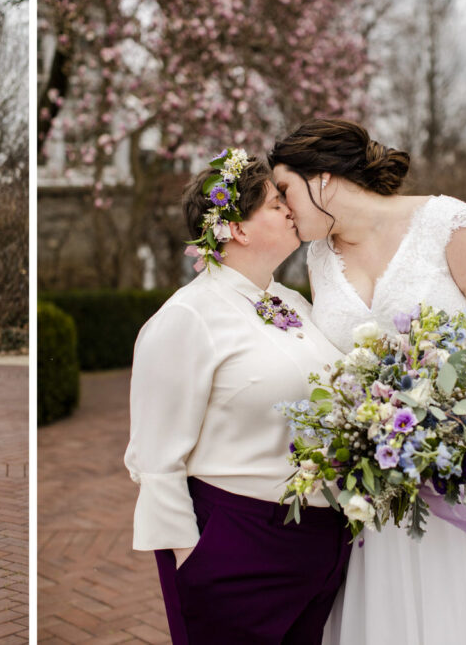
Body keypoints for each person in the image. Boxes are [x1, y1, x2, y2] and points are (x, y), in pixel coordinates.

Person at [269, 118, 466, 644]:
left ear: (322, 177)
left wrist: (450, 418)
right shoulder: (318, 258)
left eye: (286, 189)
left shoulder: (449, 223)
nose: (283, 207)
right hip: (389, 460)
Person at [125, 149, 352, 644]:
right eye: (275, 204)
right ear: (237, 229)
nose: (291, 209)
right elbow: (155, 458)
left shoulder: (294, 302)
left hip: (319, 541)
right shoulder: (187, 317)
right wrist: (192, 562)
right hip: (238, 544)